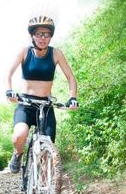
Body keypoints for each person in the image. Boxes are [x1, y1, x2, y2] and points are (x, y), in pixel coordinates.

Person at [5, 15, 79, 174]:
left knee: (48, 150)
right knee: (19, 136)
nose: (43, 38)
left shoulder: (56, 54)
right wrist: (9, 90)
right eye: (39, 34)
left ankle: (47, 191)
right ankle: (18, 154)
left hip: (45, 106)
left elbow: (71, 77)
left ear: (51, 36)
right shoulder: (25, 52)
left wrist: (72, 97)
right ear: (32, 35)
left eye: (47, 34)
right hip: (25, 105)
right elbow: (8, 73)